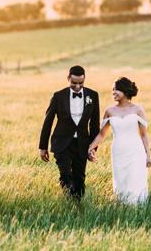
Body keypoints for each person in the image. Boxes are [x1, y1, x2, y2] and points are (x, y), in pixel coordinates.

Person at [37, 65, 100, 202]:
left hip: (82, 144)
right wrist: (43, 147)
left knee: (79, 178)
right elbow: (48, 122)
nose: (77, 87)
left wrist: (93, 148)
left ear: (84, 80)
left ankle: (77, 205)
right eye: (74, 83)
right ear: (68, 79)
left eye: (80, 83)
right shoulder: (58, 96)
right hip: (61, 143)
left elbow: (94, 124)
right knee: (65, 174)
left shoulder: (93, 95)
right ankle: (69, 200)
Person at [87, 77, 151, 205]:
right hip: (118, 151)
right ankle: (122, 207)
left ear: (125, 91)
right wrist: (91, 147)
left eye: (116, 90)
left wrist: (148, 155)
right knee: (120, 179)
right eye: (113, 90)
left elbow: (144, 135)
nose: (113, 93)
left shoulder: (138, 109)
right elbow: (102, 134)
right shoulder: (109, 110)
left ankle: (138, 208)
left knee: (135, 178)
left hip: (135, 150)